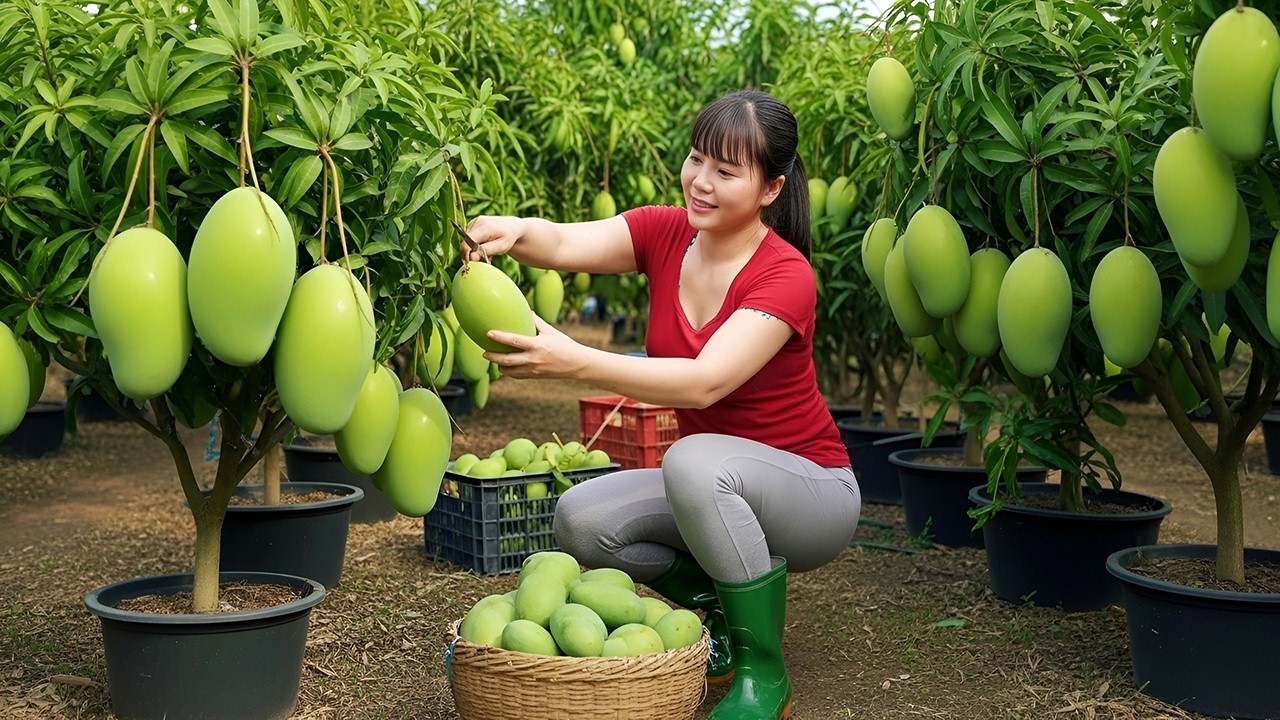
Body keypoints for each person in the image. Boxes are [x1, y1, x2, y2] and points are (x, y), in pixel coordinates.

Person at [462, 89, 860, 720]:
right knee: (580, 518)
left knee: (692, 461)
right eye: (697, 158)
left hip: (811, 492)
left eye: (726, 172)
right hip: (713, 487)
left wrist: (577, 361)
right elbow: (565, 244)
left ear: (770, 189)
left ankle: (765, 673)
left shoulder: (785, 275)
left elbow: (705, 382)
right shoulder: (665, 233)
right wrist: (513, 232)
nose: (700, 182)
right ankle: (720, 617)